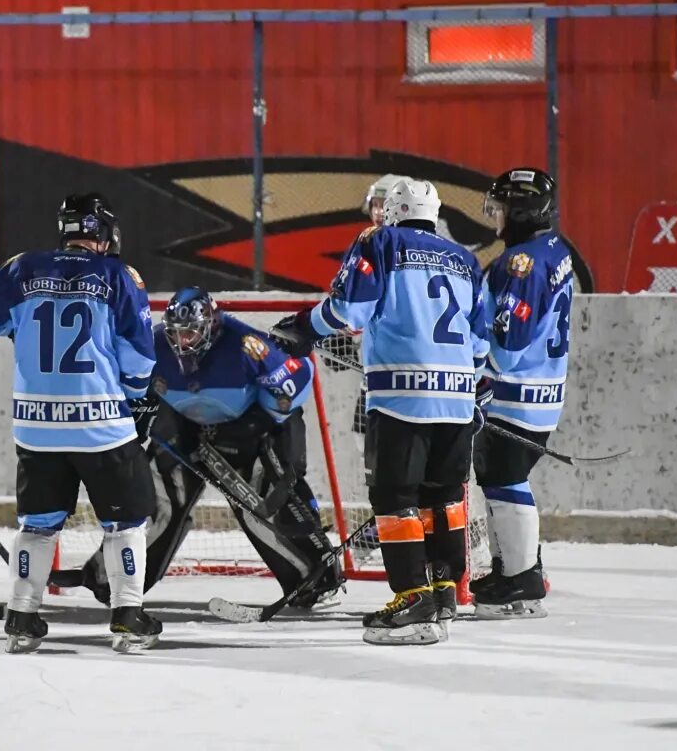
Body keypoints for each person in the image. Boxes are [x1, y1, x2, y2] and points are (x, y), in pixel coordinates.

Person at [274, 178, 489, 645]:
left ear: (392, 209)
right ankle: (443, 590)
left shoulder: (381, 240)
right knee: (445, 498)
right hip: (455, 399)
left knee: (396, 498)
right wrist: (463, 387)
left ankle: (413, 598)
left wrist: (302, 326)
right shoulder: (465, 259)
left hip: (400, 397)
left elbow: (349, 309)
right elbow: (480, 343)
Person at [0, 193, 161, 654]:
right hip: (101, 423)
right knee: (126, 521)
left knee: (38, 523)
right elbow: (140, 357)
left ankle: (22, 615)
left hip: (36, 425)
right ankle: (128, 612)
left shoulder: (22, 267)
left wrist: (14, 326)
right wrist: (132, 397)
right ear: (104, 233)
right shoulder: (118, 275)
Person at [53, 287, 345, 609]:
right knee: (160, 498)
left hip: (254, 427)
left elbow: (299, 376)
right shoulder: (155, 344)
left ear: (211, 325)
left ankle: (314, 579)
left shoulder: (247, 344)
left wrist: (256, 423)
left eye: (192, 332)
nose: (184, 341)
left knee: (259, 504)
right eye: (178, 333)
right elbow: (137, 387)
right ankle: (109, 578)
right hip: (186, 423)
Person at [470, 168, 570, 620]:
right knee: (503, 476)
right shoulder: (554, 249)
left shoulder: (521, 263)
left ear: (522, 211)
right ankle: (517, 567)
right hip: (542, 391)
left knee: (504, 477)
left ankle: (521, 578)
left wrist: (470, 368)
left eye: (502, 207)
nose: (496, 216)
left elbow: (508, 349)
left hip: (517, 394)